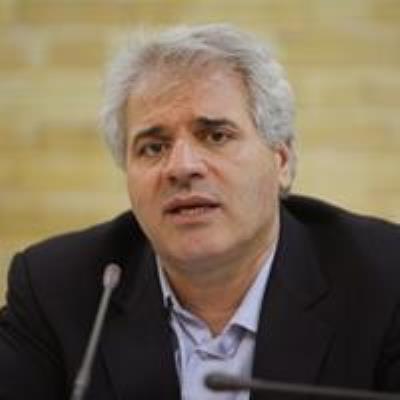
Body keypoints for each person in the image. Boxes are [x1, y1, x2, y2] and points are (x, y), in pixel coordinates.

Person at [0, 23, 399, 400]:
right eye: (154, 147)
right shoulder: (56, 290)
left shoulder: (384, 279)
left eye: (216, 136)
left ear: (281, 161)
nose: (181, 167)